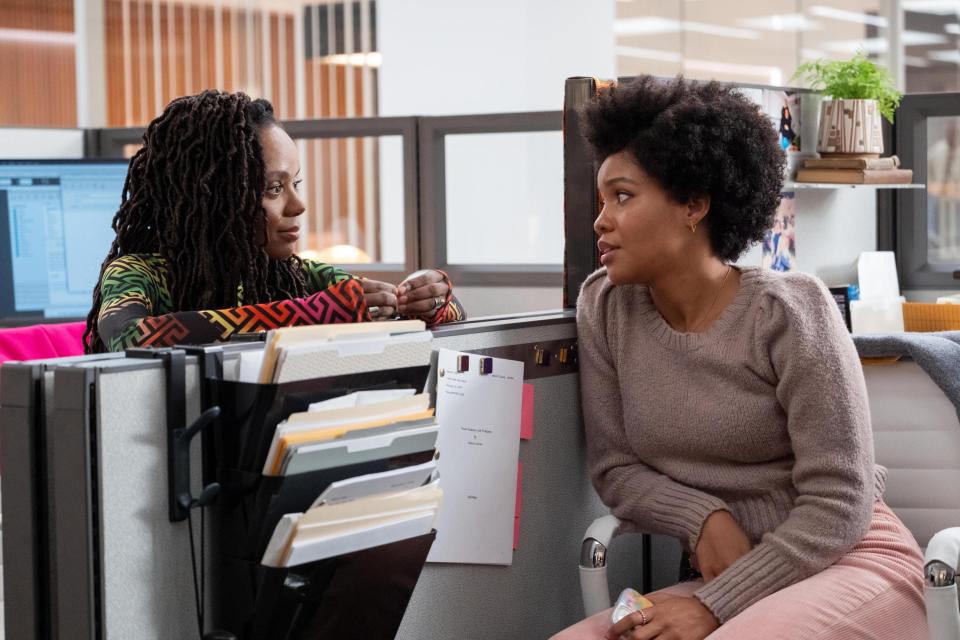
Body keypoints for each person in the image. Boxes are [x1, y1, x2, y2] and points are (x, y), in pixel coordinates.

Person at [552, 76, 926, 640]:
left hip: (850, 559)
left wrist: (716, 604)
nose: (600, 220)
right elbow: (616, 470)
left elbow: (840, 501)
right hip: (732, 568)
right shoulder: (603, 305)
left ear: (694, 205)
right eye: (602, 200)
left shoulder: (789, 311)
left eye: (623, 197)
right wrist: (704, 518)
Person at [84, 90, 465, 353]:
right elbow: (129, 337)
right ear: (216, 198)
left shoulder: (294, 276)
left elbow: (453, 314)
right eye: (273, 188)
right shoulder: (138, 274)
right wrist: (310, 315)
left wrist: (428, 302)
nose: (298, 205)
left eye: (295, 183)